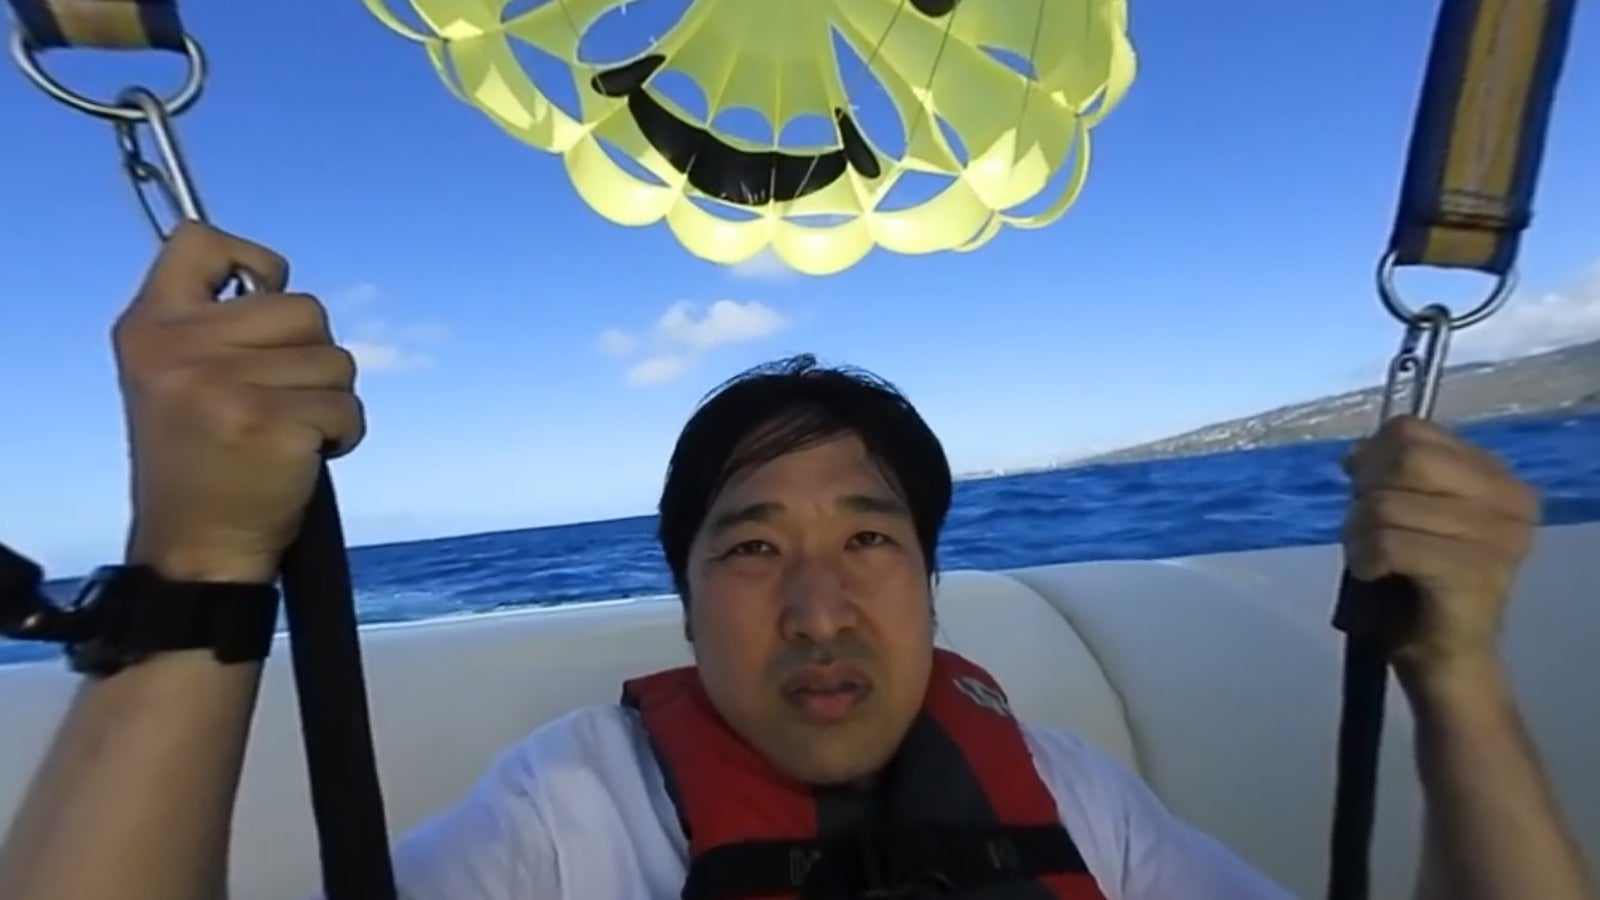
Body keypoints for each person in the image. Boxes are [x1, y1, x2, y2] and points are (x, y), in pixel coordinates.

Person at [0, 223, 1592, 900]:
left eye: (871, 540)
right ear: (686, 601)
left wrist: (1454, 673)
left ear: (932, 584)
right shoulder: (567, 819)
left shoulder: (1072, 797)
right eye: (752, 546)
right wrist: (206, 552)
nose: (820, 606)